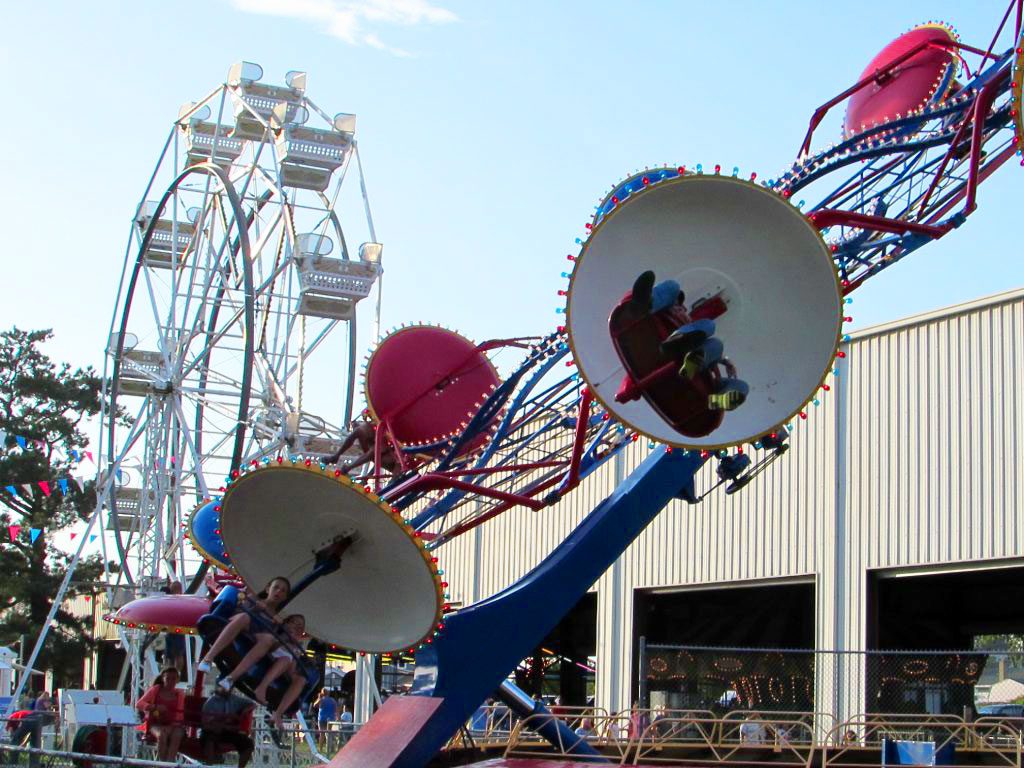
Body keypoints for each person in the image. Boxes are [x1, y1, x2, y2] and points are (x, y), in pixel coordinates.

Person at [197, 576, 291, 682]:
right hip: (238, 624)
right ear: (268, 589)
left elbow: (270, 643)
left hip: (251, 639)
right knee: (245, 617)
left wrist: (282, 629)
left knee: (268, 639)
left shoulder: (277, 619)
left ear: (285, 597)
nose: (278, 591)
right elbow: (237, 612)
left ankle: (231, 678)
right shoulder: (253, 599)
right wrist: (255, 609)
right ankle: (208, 658)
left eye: (283, 591)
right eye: (276, 587)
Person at [254, 615, 310, 741]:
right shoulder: (278, 634)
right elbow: (270, 647)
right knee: (285, 659)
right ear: (287, 623)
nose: (297, 627)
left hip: (284, 668)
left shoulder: (297, 646)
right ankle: (262, 687)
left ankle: (278, 713)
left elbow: (291, 670)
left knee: (301, 679)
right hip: (270, 660)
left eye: (300, 626)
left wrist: (295, 652)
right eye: (295, 623)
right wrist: (285, 638)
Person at [137, 666, 185, 761]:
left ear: (177, 680)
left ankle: (170, 762)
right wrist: (155, 707)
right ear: (163, 678)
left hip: (173, 725)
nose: (170, 682)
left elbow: (180, 715)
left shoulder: (179, 694)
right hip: (155, 724)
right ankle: (163, 763)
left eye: (173, 679)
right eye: (168, 678)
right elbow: (139, 704)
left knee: (177, 735)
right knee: (162, 735)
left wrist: (171, 725)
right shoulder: (156, 689)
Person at [200, 686, 254, 767]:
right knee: (209, 738)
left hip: (228, 732)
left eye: (230, 687)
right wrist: (220, 725)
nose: (228, 689)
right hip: (212, 731)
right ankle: (209, 764)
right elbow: (205, 725)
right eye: (225, 687)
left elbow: (252, 704)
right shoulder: (210, 703)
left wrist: (244, 711)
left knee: (248, 743)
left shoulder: (235, 699)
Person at [326, 416, 398, 476]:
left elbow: (375, 461)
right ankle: (338, 459)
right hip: (385, 447)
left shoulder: (381, 450)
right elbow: (375, 462)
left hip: (388, 450)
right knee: (372, 450)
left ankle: (338, 459)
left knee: (373, 450)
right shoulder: (373, 447)